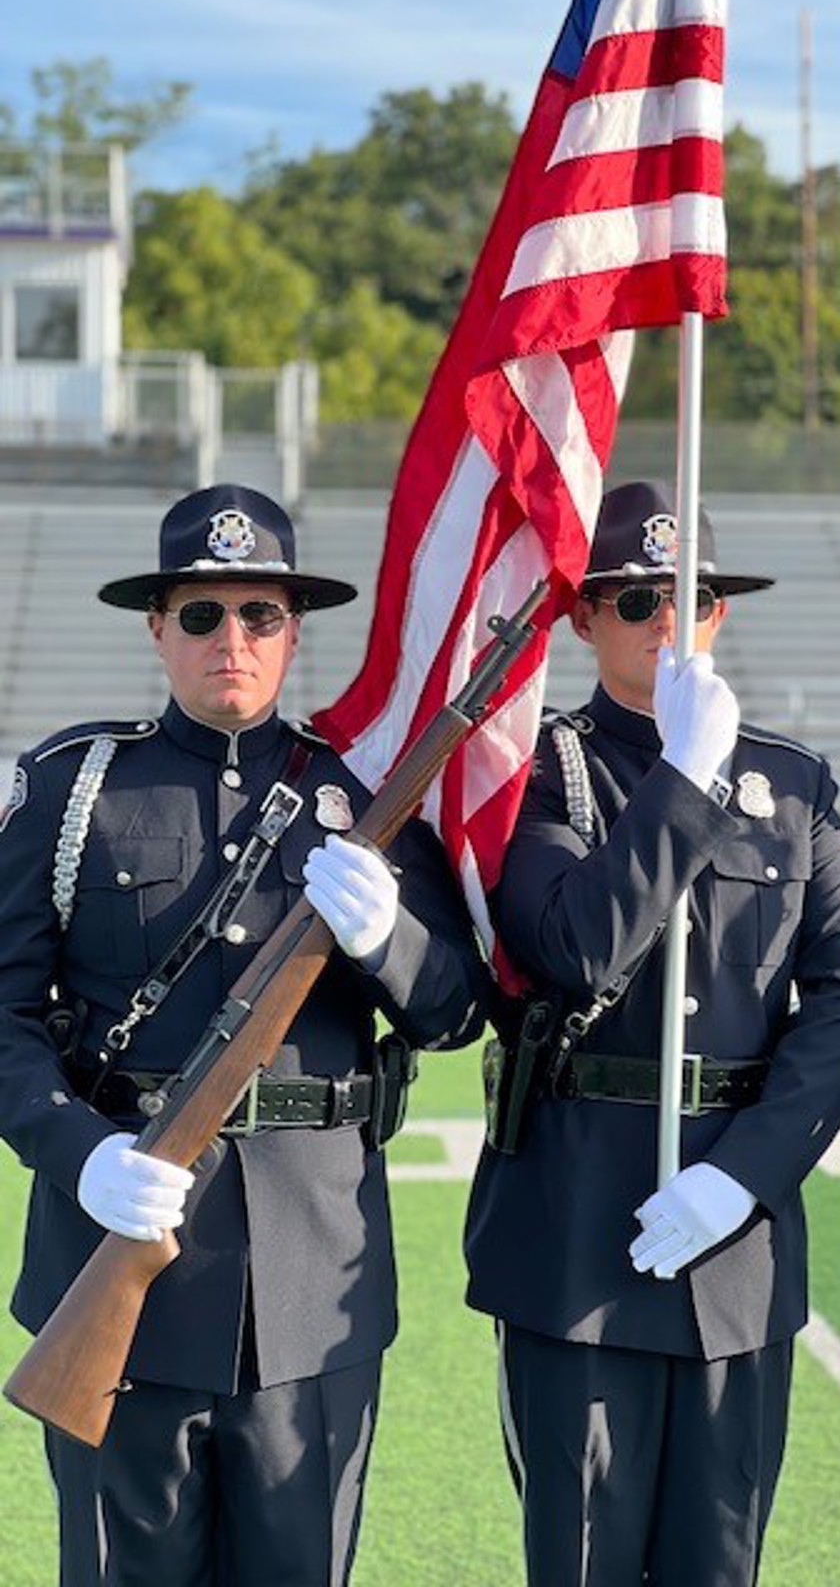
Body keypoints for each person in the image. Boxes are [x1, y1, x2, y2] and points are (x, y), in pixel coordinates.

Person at [0, 484, 487, 1586]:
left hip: (311, 1280)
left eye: (259, 614)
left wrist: (388, 936)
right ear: (157, 628)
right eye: (204, 614)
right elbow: (3, 1019)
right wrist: (80, 1155)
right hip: (119, 1258)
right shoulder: (76, 789)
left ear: (293, 632)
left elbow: (456, 1011)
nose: (234, 639)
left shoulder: (365, 798)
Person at [464, 479, 840, 1587]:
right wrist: (685, 775)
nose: (666, 623)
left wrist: (744, 1178)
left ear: (719, 614)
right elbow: (575, 945)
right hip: (575, 1233)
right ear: (582, 617)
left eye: (689, 597)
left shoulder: (794, 786)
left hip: (734, 1239)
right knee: (584, 1560)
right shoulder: (537, 773)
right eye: (637, 598)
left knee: (720, 1562)